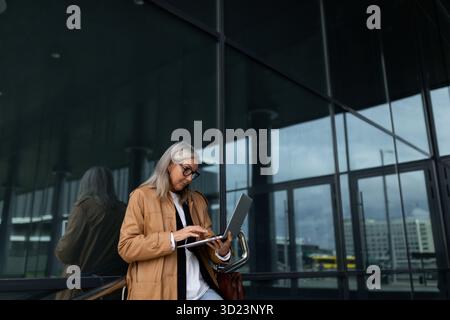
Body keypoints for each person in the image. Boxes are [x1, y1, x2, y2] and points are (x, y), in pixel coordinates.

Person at [118, 142, 232, 300]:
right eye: (186, 170)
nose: (190, 178)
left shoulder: (198, 201)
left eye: (193, 173)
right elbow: (126, 248)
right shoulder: (141, 197)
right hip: (159, 294)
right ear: (170, 165)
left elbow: (208, 248)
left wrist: (222, 252)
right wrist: (172, 237)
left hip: (201, 291)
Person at [55, 167, 128, 299]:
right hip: (112, 288)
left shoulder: (84, 207)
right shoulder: (124, 210)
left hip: (80, 287)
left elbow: (66, 253)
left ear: (85, 184)